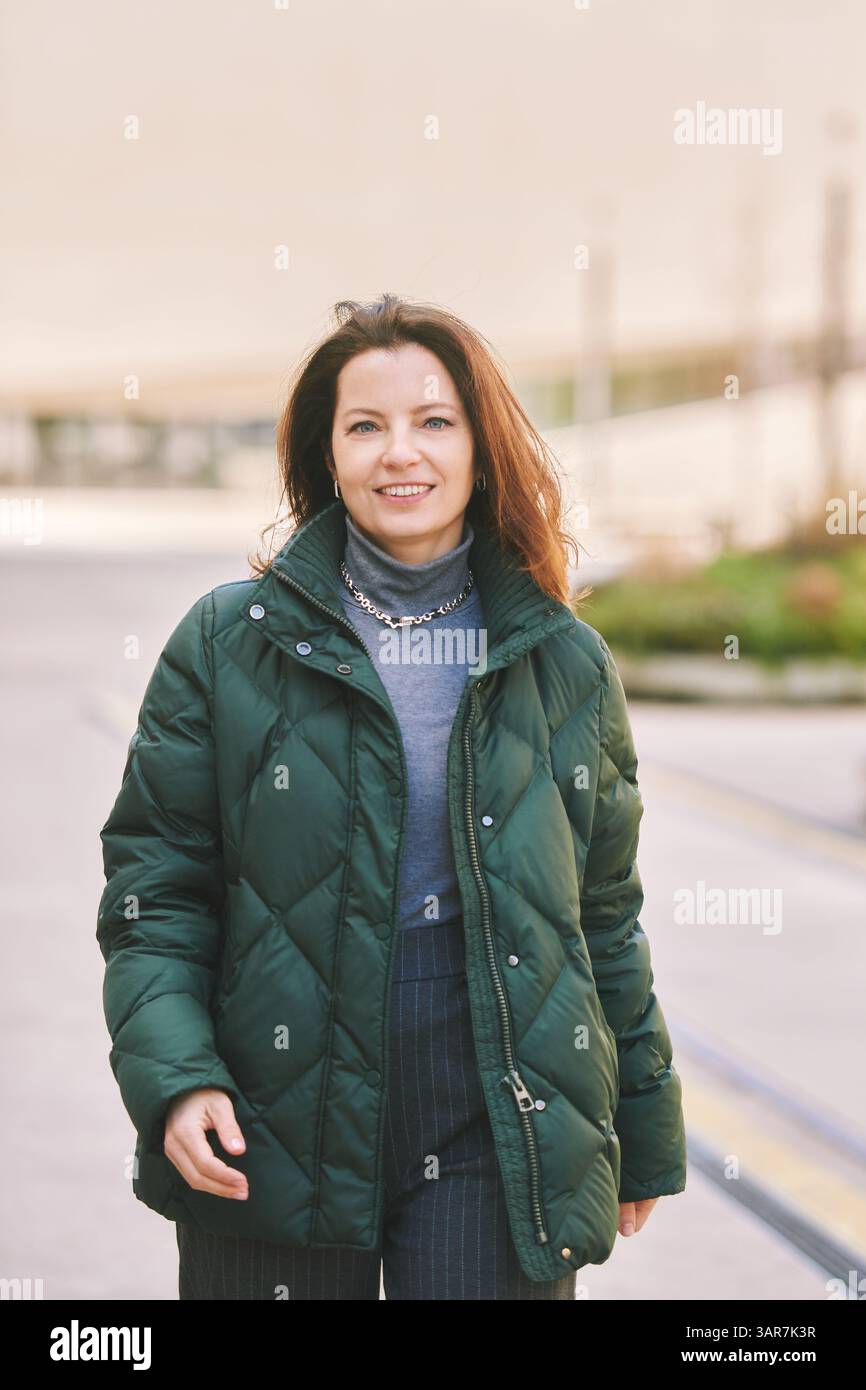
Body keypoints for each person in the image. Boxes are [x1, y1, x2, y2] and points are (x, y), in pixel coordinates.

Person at [96, 293, 687, 1301]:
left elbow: (600, 914)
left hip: (492, 1109)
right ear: (326, 454)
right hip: (273, 1105)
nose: (398, 453)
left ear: (479, 445)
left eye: (432, 421)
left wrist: (639, 1115)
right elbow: (157, 892)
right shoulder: (228, 641)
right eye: (364, 425)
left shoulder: (562, 663)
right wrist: (176, 1074)